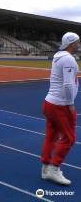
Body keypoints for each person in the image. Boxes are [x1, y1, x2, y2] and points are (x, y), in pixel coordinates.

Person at [41, 32, 80, 185]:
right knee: (69, 139)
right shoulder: (69, 59)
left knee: (51, 136)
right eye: (77, 42)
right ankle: (54, 169)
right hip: (60, 105)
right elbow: (68, 85)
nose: (79, 44)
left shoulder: (58, 56)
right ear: (71, 43)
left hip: (49, 103)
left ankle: (45, 169)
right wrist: (70, 104)